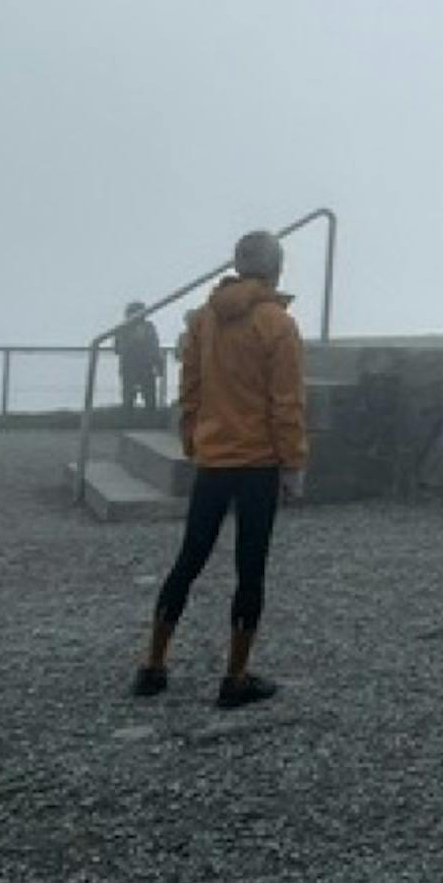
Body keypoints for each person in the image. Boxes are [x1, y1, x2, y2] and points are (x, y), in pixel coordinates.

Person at [136, 231, 306, 711]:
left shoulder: (205, 320)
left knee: (188, 560)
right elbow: (286, 404)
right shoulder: (277, 324)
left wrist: (196, 442)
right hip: (257, 465)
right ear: (276, 269)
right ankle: (235, 676)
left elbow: (190, 388)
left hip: (212, 460)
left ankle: (153, 664)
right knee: (249, 569)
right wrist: (293, 463)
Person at [110, 302, 166, 421]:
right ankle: (127, 422)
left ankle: (151, 423)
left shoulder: (149, 327)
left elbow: (154, 347)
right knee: (128, 398)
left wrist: (159, 364)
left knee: (150, 398)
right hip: (129, 367)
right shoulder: (122, 328)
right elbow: (118, 349)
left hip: (146, 367)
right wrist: (134, 340)